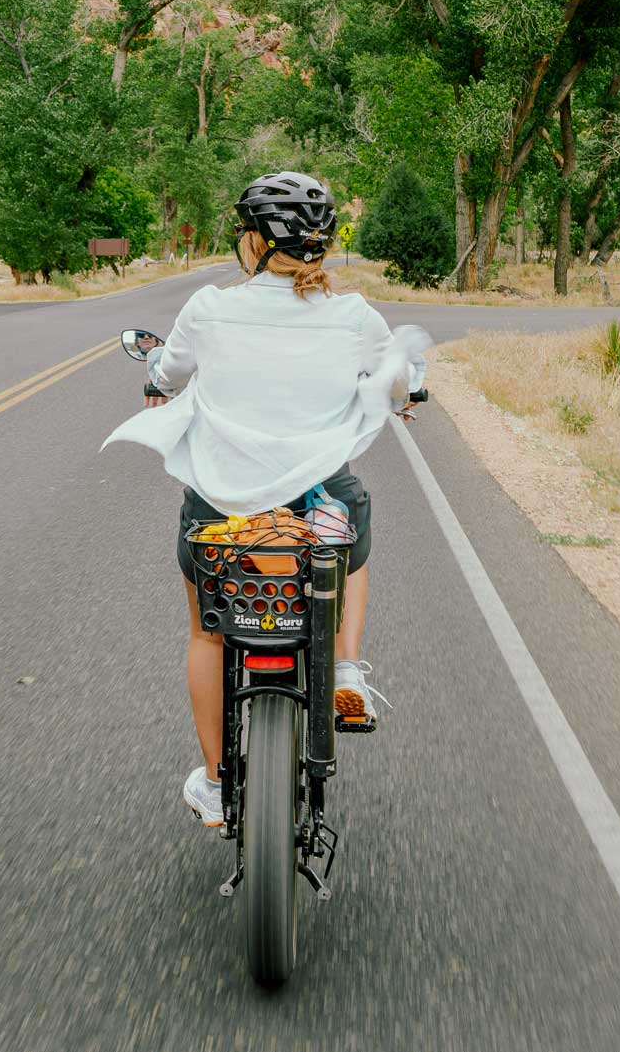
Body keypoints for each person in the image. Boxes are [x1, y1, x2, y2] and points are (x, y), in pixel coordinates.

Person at [104, 170, 424, 829]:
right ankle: (345, 668)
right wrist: (406, 393)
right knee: (352, 546)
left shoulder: (207, 308)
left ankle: (216, 783)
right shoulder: (355, 316)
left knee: (206, 632)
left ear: (252, 241)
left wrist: (155, 375)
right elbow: (400, 380)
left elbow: (169, 371)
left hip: (222, 513)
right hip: (318, 508)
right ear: (322, 245)